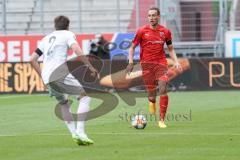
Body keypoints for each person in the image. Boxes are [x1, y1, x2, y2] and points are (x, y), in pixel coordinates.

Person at [30, 15, 98, 145]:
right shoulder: (68, 34)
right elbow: (76, 49)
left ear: (54, 26)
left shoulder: (45, 38)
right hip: (59, 72)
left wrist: (43, 78)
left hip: (47, 76)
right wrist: (90, 66)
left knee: (63, 103)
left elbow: (32, 59)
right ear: (68, 26)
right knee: (85, 97)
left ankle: (74, 133)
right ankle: (80, 132)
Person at [126, 7, 182, 128]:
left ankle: (161, 120)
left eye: (154, 15)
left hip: (161, 64)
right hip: (146, 65)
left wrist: (176, 61)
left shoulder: (165, 31)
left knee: (162, 88)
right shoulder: (141, 31)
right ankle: (152, 102)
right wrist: (130, 62)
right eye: (149, 15)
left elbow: (171, 49)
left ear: (158, 16)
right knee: (151, 96)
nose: (151, 18)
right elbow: (132, 48)